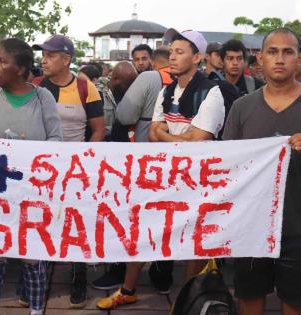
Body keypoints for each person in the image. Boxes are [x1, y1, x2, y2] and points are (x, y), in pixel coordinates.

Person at [96, 29, 225, 311]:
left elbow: (196, 142)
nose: (172, 57)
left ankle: (186, 300)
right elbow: (153, 134)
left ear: (198, 57)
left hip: (195, 179)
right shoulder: (167, 90)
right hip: (163, 174)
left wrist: (165, 133)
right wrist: (176, 135)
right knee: (142, 227)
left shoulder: (211, 93)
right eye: (171, 52)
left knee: (194, 237)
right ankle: (128, 289)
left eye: (180, 52)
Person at [0, 38, 62, 315]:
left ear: (22, 69)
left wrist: (26, 152)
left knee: (32, 256)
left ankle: (36, 310)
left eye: (1, 61)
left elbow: (56, 140)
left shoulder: (42, 97)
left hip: (31, 192)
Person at [223, 28, 301, 315]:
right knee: (248, 298)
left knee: (296, 302)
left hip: (300, 227)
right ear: (260, 59)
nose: (279, 59)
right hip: (250, 225)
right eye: (272, 52)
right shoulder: (241, 108)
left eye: (288, 52)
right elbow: (225, 166)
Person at [33, 34, 105, 308]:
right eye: (44, 54)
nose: (44, 59)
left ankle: (78, 278)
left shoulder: (86, 88)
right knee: (42, 221)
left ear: (66, 59)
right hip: (43, 170)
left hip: (76, 170)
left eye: (50, 55)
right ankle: (39, 277)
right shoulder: (36, 86)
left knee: (78, 222)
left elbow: (98, 129)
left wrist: (84, 159)